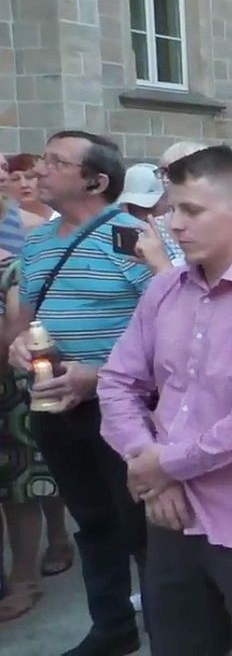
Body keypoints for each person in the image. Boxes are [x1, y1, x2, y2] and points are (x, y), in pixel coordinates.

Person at [98, 145, 232, 656]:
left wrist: (164, 466)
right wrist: (149, 469)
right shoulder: (166, 290)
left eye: (191, 210)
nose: (174, 224)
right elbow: (118, 382)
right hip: (170, 516)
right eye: (172, 209)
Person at [7, 131, 152, 655]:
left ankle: (170, 630)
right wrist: (20, 344)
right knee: (92, 522)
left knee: (142, 531)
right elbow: (27, 320)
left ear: (95, 180)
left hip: (123, 410)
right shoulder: (39, 241)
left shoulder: (133, 237)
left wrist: (99, 375)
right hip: (53, 406)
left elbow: (168, 330)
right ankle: (112, 628)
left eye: (54, 162)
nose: (40, 169)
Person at [0, 155, 73, 624]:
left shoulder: (26, 231)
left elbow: (18, 324)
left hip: (13, 378)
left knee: (20, 480)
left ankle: (26, 575)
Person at [4, 153, 57, 230]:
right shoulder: (6, 224)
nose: (23, 184)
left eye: (30, 177)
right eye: (15, 179)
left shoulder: (67, 218)